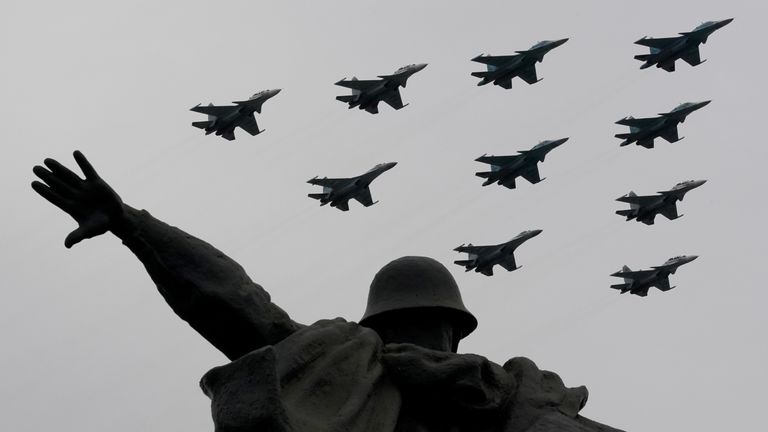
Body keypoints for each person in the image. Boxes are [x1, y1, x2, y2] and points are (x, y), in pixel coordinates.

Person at [32, 151, 622, 432]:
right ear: (455, 324)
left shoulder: (340, 368)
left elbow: (233, 301)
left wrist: (135, 226)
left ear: (379, 320)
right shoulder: (524, 401)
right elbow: (235, 301)